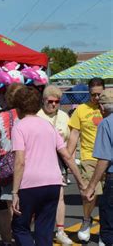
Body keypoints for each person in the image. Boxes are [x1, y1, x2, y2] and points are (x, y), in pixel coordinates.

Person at [10, 86, 86, 246]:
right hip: (53, 182)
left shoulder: (19, 126)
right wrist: (80, 181)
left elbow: (20, 161)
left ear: (18, 106)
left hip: (30, 183)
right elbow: (66, 155)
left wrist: (15, 191)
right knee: (44, 229)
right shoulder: (48, 126)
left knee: (20, 227)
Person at [0, 82, 25, 245]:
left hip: (6, 169)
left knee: (7, 207)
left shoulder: (1, 117)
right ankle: (23, 236)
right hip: (32, 166)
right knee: (27, 206)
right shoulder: (35, 116)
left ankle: (9, 241)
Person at [67, 77, 105, 242]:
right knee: (89, 193)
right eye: (93, 95)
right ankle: (87, 220)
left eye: (99, 94)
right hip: (90, 157)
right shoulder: (81, 110)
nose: (96, 98)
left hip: (108, 158)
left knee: (108, 196)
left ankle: (106, 230)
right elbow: (74, 134)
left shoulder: (108, 108)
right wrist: (68, 158)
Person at [36, 85, 72, 245]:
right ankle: (41, 230)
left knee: (60, 196)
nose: (53, 105)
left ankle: (61, 230)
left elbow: (71, 138)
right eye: (50, 101)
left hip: (58, 159)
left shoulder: (64, 116)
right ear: (44, 100)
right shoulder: (36, 116)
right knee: (40, 196)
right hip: (39, 159)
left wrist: (68, 158)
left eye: (57, 102)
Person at [82, 88, 113, 246]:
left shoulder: (106, 123)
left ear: (102, 107)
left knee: (108, 227)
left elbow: (104, 159)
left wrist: (91, 186)